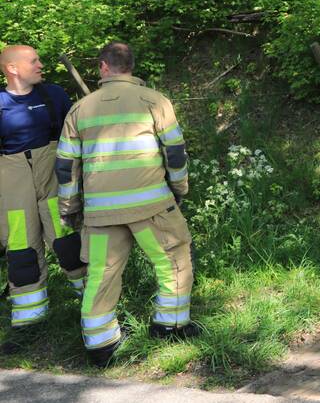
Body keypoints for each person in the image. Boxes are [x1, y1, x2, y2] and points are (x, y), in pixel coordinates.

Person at [56, 42, 197, 367]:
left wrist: (69, 207)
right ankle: (171, 326)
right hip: (150, 208)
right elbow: (175, 152)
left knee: (102, 275)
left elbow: (66, 167)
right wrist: (179, 188)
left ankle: (100, 346)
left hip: (102, 215)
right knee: (173, 260)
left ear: (103, 67)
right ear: (130, 66)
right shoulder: (154, 101)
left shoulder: (80, 110)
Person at [0, 45, 86, 354]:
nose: (40, 64)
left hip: (52, 178)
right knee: (21, 249)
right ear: (12, 68)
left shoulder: (54, 95)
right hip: (12, 183)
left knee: (67, 243)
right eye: (33, 60)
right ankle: (29, 322)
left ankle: (93, 307)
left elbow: (77, 138)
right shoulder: (0, 103)